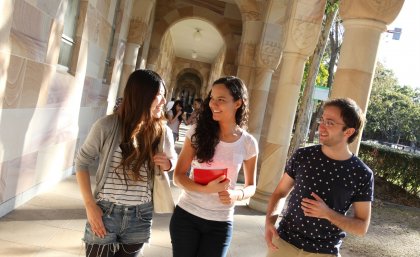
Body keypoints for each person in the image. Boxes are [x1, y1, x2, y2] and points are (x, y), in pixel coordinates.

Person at [75, 69, 177, 257]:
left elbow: (173, 161)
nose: (164, 102)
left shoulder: (163, 132)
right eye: (159, 95)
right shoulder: (106, 126)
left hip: (140, 216)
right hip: (105, 212)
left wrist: (168, 164)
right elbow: (81, 162)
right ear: (142, 96)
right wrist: (90, 205)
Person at [265, 98, 374, 257]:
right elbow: (280, 193)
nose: (321, 126)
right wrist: (270, 221)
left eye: (330, 123)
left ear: (348, 131)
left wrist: (328, 214)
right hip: (283, 243)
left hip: (324, 252)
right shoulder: (303, 156)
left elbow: (362, 226)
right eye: (322, 120)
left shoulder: (362, 174)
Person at [170, 76, 259, 257]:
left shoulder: (248, 143)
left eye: (221, 100)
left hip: (220, 224)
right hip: (187, 216)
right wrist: (205, 189)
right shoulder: (196, 132)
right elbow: (178, 176)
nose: (213, 104)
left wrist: (237, 194)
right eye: (212, 98)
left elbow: (251, 186)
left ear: (238, 103)